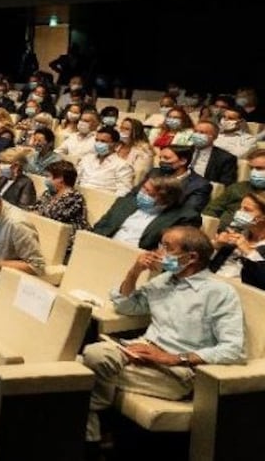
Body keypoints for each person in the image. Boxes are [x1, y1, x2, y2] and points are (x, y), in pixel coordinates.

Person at [81, 227, 244, 450]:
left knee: (82, 375)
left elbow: (233, 349)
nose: (159, 252)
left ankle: (91, 440)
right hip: (140, 351)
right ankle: (97, 436)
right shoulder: (166, 279)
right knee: (92, 355)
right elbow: (126, 305)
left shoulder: (219, 293)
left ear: (192, 257)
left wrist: (173, 358)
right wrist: (135, 271)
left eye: (167, 247)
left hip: (178, 371)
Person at [93, 175, 201, 250]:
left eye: (149, 192)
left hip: (138, 259)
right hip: (103, 248)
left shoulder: (184, 218)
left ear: (166, 198)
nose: (142, 193)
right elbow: (100, 227)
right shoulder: (125, 202)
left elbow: (170, 250)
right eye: (143, 188)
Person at [29, 161, 90, 257]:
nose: (46, 179)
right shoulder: (48, 193)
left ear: (61, 179)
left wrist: (37, 214)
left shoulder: (74, 197)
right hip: (45, 232)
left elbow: (53, 217)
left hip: (66, 241)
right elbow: (34, 209)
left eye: (49, 176)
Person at [209, 191, 265, 289]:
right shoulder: (235, 231)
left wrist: (249, 252)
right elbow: (203, 264)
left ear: (263, 217)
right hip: (212, 283)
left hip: (243, 294)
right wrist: (216, 246)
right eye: (240, 208)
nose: (239, 212)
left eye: (247, 210)